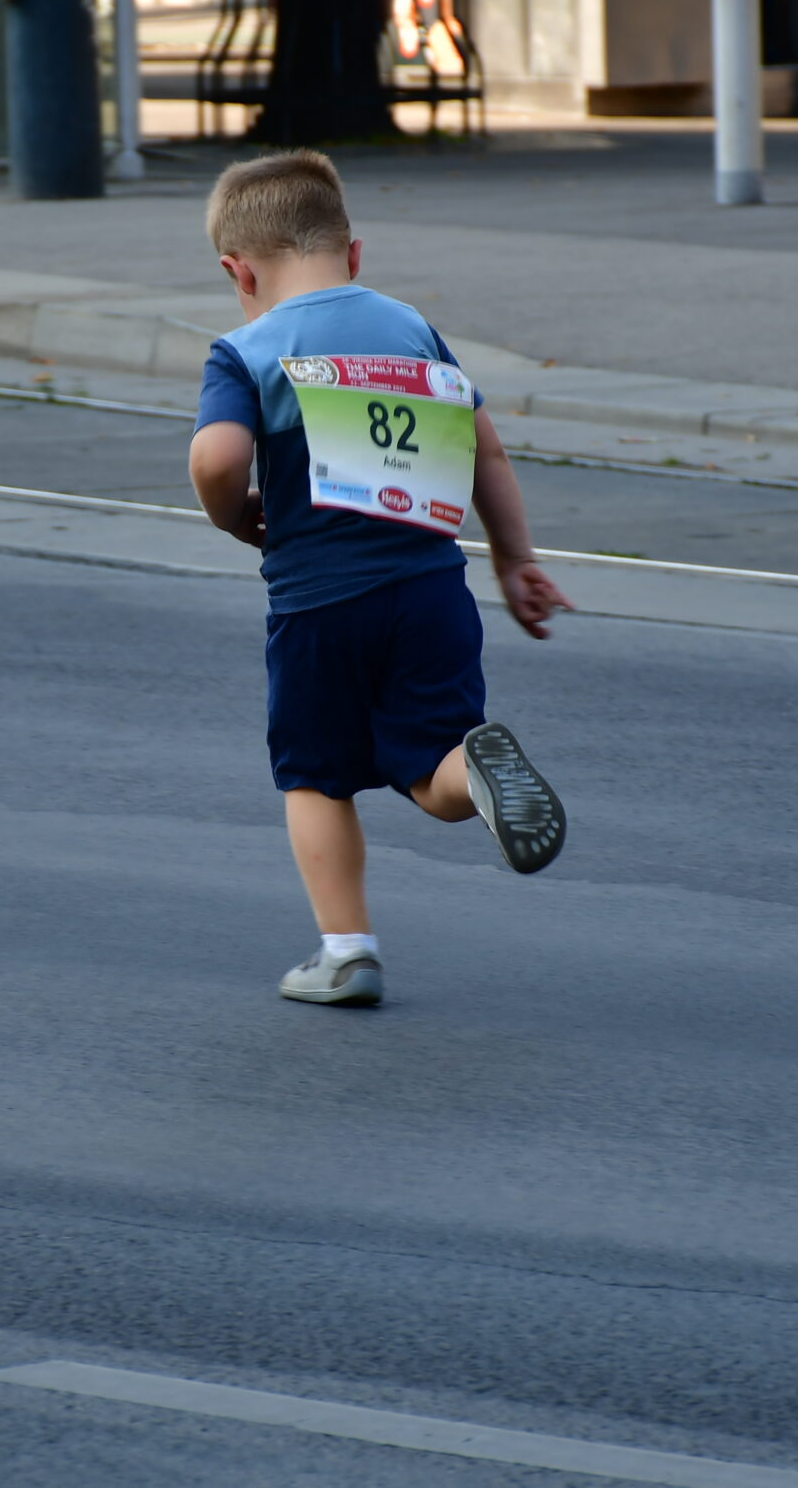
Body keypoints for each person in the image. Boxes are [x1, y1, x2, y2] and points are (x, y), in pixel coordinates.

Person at [188, 150, 574, 1009]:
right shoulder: (409, 329)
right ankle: (473, 773)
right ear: (353, 254)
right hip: (432, 588)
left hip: (318, 603)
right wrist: (514, 558)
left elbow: (218, 457)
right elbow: (484, 448)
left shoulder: (247, 350)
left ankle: (346, 949)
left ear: (237, 271)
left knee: (316, 775)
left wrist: (231, 513)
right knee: (431, 768)